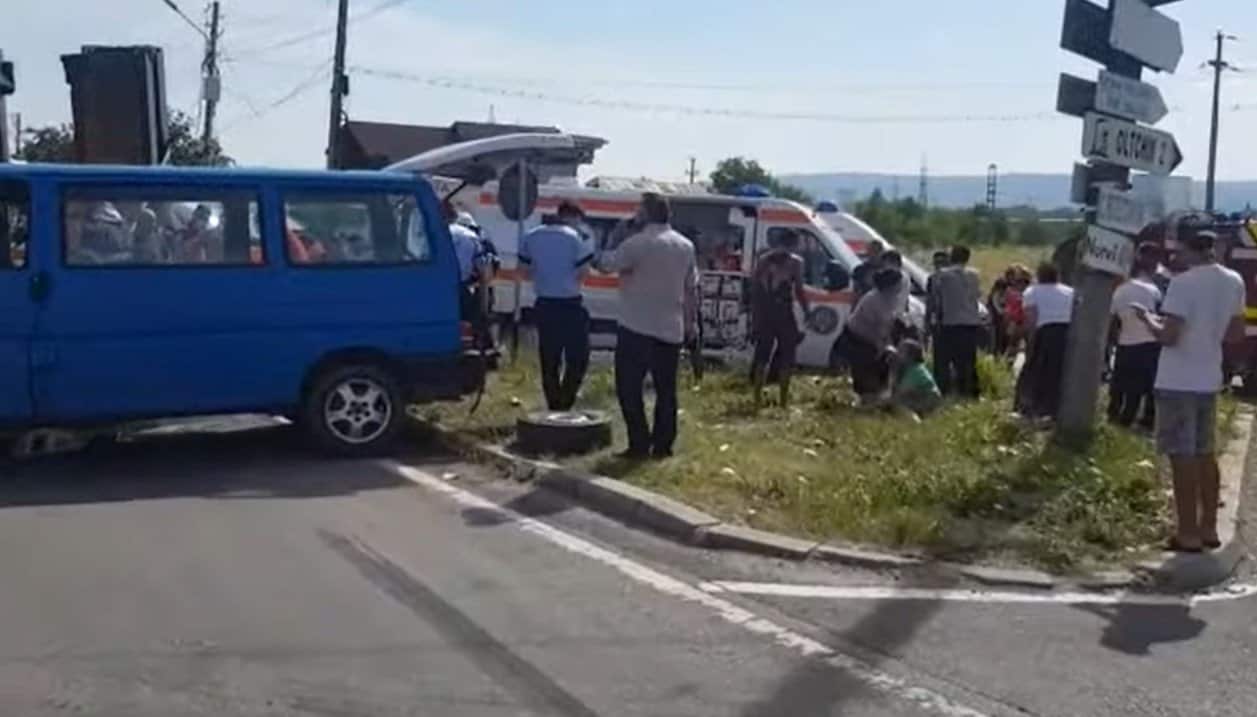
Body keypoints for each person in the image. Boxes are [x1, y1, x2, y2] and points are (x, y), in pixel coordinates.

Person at [1136, 229, 1245, 553]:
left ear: (1190, 249)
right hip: (1209, 377)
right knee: (1204, 453)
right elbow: (1235, 333)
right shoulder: (1234, 280)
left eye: (1178, 250)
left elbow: (1169, 336)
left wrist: (1147, 320)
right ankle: (1209, 527)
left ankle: (1187, 532)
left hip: (1177, 379)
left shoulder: (1183, 283)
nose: (1175, 256)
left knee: (1181, 458)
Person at [598, 193, 698, 459]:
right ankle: (663, 446)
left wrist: (616, 237)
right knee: (667, 391)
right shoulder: (685, 246)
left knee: (629, 388)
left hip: (636, 325)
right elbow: (691, 290)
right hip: (671, 328)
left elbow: (606, 265)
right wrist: (690, 324)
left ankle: (639, 443)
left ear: (644, 214)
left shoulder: (637, 244)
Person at [518, 201, 595, 411]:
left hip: (544, 304)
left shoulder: (531, 236)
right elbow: (583, 272)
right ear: (571, 217)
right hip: (570, 304)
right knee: (578, 356)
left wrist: (543, 275)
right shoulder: (575, 238)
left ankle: (553, 404)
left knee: (549, 357)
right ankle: (566, 400)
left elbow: (524, 270)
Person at [750, 229, 811, 407]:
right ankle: (783, 400)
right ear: (793, 244)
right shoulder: (795, 262)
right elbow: (799, 289)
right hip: (783, 311)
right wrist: (806, 310)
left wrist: (755, 315)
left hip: (766, 312)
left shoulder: (764, 260)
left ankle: (757, 398)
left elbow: (754, 289)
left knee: (762, 355)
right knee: (787, 355)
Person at [1107, 243, 1164, 429]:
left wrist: (1113, 340)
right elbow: (1160, 316)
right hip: (1149, 343)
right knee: (1145, 386)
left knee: (1120, 383)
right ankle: (1140, 420)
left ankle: (1114, 416)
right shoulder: (1155, 290)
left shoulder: (1120, 290)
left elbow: (1113, 320)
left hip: (1125, 343)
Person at [835, 268, 904, 402]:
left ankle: (879, 398)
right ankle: (866, 401)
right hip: (856, 340)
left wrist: (888, 345)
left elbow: (889, 324)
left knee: (880, 371)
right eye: (898, 284)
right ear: (890, 285)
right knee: (865, 375)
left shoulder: (892, 299)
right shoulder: (873, 300)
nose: (901, 287)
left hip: (874, 340)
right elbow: (879, 329)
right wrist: (886, 347)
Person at [1019, 262, 1074, 419]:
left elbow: (1031, 320)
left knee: (1035, 371)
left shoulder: (1032, 291)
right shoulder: (1070, 291)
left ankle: (1032, 408)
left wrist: (1030, 344)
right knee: (1059, 373)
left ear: (1039, 276)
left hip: (1046, 333)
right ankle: (1056, 410)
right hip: (1068, 333)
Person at [932, 245, 983, 398]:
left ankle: (945, 391)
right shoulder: (974, 275)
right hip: (970, 323)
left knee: (945, 361)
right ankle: (970, 392)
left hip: (950, 323)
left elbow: (937, 300)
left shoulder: (941, 276)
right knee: (968, 361)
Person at [892, 338, 942, 418]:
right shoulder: (913, 368)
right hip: (925, 398)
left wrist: (876, 402)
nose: (897, 353)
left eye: (901, 351)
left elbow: (901, 392)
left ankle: (913, 420)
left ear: (910, 356)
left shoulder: (915, 371)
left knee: (897, 404)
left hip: (928, 399)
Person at [925, 250, 950, 351]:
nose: (939, 267)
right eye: (937, 263)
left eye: (942, 263)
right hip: (940, 321)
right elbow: (930, 302)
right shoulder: (932, 279)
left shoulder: (956, 279)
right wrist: (927, 323)